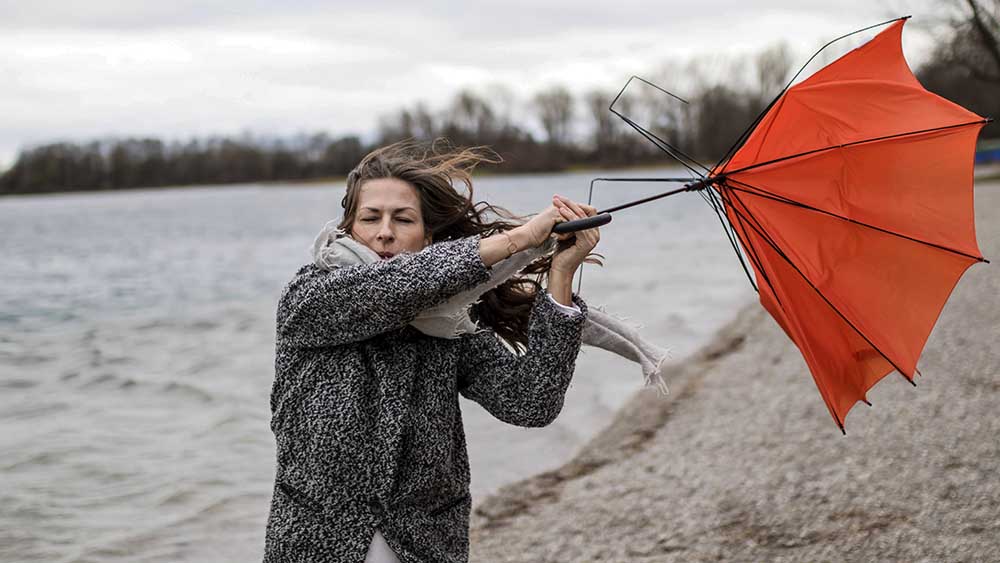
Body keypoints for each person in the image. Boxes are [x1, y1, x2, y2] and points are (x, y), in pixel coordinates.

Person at [263, 140, 601, 563]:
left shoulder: (451, 320)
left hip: (426, 543)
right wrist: (517, 240)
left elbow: (531, 402)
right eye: (370, 217)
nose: (385, 231)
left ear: (429, 236)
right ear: (349, 227)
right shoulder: (309, 297)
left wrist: (561, 276)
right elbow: (392, 288)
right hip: (315, 542)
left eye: (403, 219)